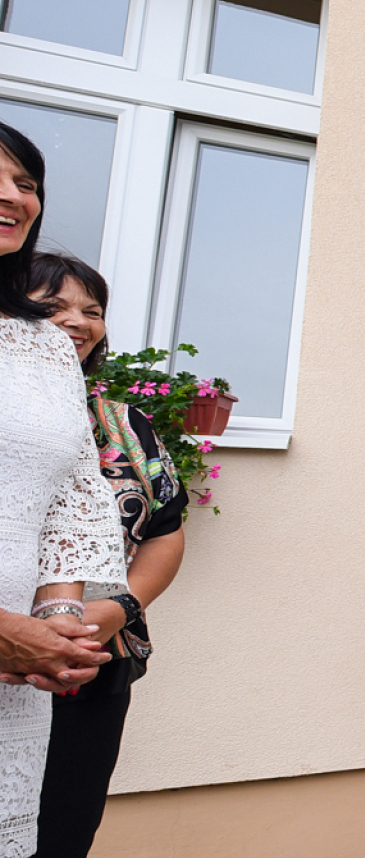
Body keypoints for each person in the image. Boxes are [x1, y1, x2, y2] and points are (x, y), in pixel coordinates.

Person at [29, 253, 189, 858]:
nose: (78, 320)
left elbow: (165, 529)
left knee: (62, 834)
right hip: (5, 658)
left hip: (93, 666)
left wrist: (122, 606)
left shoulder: (126, 424)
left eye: (91, 310)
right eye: (53, 305)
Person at [0, 121, 127, 857]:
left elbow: (76, 503)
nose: (14, 196)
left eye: (27, 182)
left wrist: (60, 627)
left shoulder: (43, 345)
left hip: (19, 678)